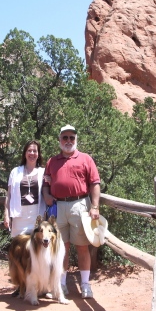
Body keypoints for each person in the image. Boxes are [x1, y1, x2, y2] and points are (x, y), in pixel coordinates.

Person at [42, 125, 101, 299]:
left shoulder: (85, 159)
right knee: (61, 248)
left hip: (79, 205)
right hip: (58, 206)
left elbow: (95, 183)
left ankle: (85, 284)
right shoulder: (52, 161)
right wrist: (46, 195)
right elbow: (46, 184)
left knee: (82, 246)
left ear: (76, 139)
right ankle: (61, 285)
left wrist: (95, 206)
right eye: (65, 137)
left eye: (71, 138)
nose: (68, 141)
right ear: (59, 140)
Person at [4, 140, 46, 237]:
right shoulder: (15, 172)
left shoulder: (43, 172)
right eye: (29, 150)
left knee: (36, 248)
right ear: (25, 153)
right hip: (19, 216)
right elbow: (9, 195)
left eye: (35, 151)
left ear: (38, 154)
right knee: (19, 248)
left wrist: (50, 180)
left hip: (37, 215)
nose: (32, 153)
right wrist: (6, 214)